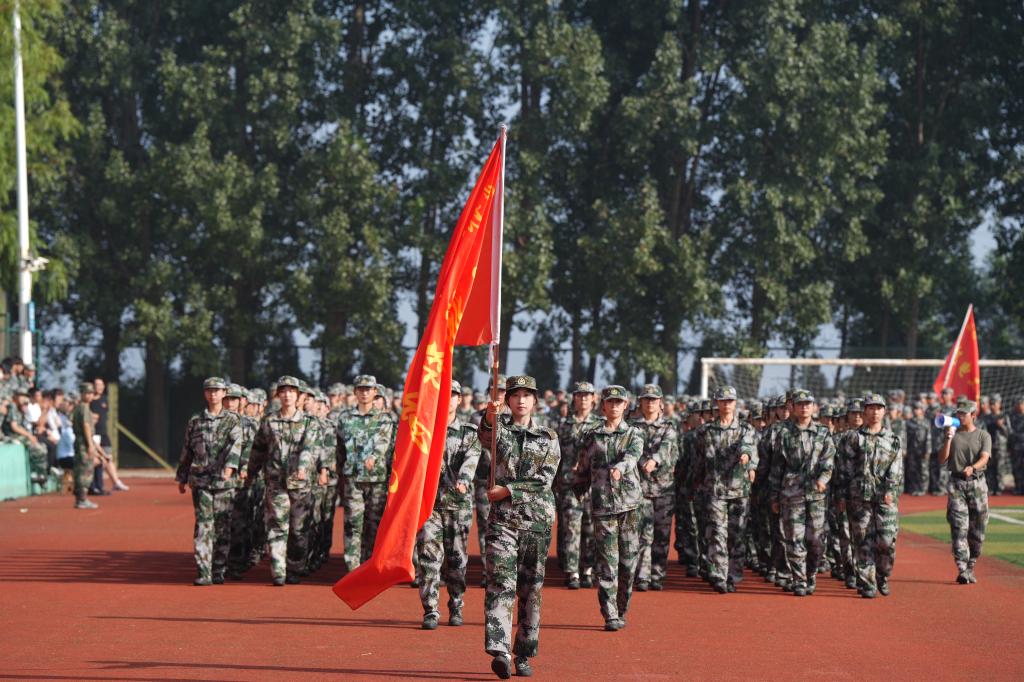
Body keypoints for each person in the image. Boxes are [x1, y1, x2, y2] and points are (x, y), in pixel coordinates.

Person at [477, 375, 559, 680]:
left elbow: (544, 479)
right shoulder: (500, 428)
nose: (521, 400)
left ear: (535, 400)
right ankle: (501, 651)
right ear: (508, 400)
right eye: (515, 395)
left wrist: (508, 491)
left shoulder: (548, 437)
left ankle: (523, 652)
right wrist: (489, 415)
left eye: (526, 395)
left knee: (530, 590)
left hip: (536, 523)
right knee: (500, 582)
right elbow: (485, 437)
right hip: (503, 522)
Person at [574, 385, 644, 630]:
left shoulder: (634, 433)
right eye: (610, 402)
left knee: (628, 563)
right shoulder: (592, 435)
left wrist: (620, 468)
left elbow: (633, 456)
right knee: (607, 562)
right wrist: (577, 487)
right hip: (603, 506)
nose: (614, 406)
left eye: (618, 402)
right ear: (602, 406)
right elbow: (583, 466)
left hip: (629, 506)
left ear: (626, 406)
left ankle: (621, 606)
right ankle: (610, 613)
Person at [247, 376, 329, 585]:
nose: (287, 395)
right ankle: (278, 570)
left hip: (301, 484)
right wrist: (249, 473)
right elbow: (258, 449)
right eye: (283, 391)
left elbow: (310, 448)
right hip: (275, 482)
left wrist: (303, 467)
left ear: (299, 396)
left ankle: (295, 567)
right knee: (277, 526)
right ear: (278, 395)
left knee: (299, 531)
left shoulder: (309, 422)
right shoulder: (269, 421)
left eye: (291, 392)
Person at [417, 380, 481, 629]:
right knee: (428, 558)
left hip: (458, 504)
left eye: (453, 395)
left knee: (457, 561)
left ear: (459, 399)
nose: (449, 399)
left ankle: (456, 604)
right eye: (444, 394)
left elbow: (471, 459)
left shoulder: (468, 432)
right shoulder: (423, 431)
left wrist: (464, 479)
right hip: (429, 505)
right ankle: (430, 609)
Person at [175, 377, 243, 586]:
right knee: (204, 525)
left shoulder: (233, 420)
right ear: (205, 394)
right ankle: (203, 571)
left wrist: (230, 467)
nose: (213, 394)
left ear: (224, 393)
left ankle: (218, 568)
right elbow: (187, 449)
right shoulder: (196, 420)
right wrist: (182, 476)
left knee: (222, 527)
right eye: (209, 391)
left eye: (217, 390)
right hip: (201, 481)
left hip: (224, 483)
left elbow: (237, 445)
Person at [769, 389, 835, 596]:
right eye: (800, 404)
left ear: (813, 407)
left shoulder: (823, 432)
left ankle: (810, 574)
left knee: (815, 541)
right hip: (791, 494)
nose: (804, 407)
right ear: (794, 407)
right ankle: (799, 579)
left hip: (816, 495)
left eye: (808, 404)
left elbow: (829, 462)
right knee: (794, 538)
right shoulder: (784, 433)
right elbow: (777, 466)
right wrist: (774, 495)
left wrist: (823, 480)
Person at [838, 394, 902, 598]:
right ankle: (867, 583)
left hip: (885, 498)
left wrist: (890, 489)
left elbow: (896, 468)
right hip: (858, 497)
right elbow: (844, 469)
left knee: (886, 541)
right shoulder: (853, 438)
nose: (875, 412)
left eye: (878, 408)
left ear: (884, 411)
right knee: (862, 541)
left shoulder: (893, 439)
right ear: (864, 411)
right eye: (871, 408)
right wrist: (842, 495)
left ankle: (882, 575)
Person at [697, 386, 758, 593]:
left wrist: (746, 458)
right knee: (717, 532)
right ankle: (719, 575)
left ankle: (734, 574)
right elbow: (698, 460)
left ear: (735, 403)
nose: (726, 404)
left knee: (737, 534)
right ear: (717, 403)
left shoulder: (745, 429)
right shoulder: (706, 431)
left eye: (730, 401)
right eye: (723, 401)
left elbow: (748, 447)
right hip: (715, 490)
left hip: (739, 490)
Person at [337, 374, 395, 572]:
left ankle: (370, 565)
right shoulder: (345, 418)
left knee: (374, 525)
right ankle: (352, 568)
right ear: (355, 392)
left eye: (368, 389)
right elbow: (339, 448)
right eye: (360, 389)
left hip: (376, 479)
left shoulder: (384, 419)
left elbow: (383, 442)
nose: (364, 393)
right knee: (353, 523)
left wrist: (374, 456)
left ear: (375, 392)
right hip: (353, 478)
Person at [629, 384, 679, 592]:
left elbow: (667, 448)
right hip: (640, 487)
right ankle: (642, 575)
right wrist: (642, 461)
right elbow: (632, 448)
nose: (650, 403)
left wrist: (654, 460)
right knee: (643, 533)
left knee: (662, 534)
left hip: (664, 488)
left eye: (654, 399)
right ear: (640, 402)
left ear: (660, 403)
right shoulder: (632, 427)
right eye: (646, 399)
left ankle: (657, 574)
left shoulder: (669, 427)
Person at [554, 381, 601, 589]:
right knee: (571, 527)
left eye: (587, 395)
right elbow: (556, 455)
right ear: (574, 398)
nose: (583, 399)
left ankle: (587, 570)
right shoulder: (564, 425)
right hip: (569, 483)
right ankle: (572, 571)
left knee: (590, 528)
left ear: (594, 399)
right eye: (579, 395)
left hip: (593, 484)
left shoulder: (600, 425)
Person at [938, 400, 991, 584]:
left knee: (978, 531)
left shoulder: (983, 435)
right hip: (957, 485)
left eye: (964, 414)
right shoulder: (952, 434)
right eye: (958, 413)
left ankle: (970, 566)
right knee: (959, 528)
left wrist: (973, 467)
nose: (960, 416)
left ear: (973, 416)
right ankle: (962, 568)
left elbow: (985, 457)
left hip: (977, 484)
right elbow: (942, 459)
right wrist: (948, 438)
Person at [71, 383, 105, 509]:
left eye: (91, 393)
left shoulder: (79, 407)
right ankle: (82, 499)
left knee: (81, 469)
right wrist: (90, 445)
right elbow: (86, 426)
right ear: (82, 394)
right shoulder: (84, 408)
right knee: (85, 470)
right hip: (83, 442)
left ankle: (80, 498)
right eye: (88, 393)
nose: (90, 396)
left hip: (81, 441)